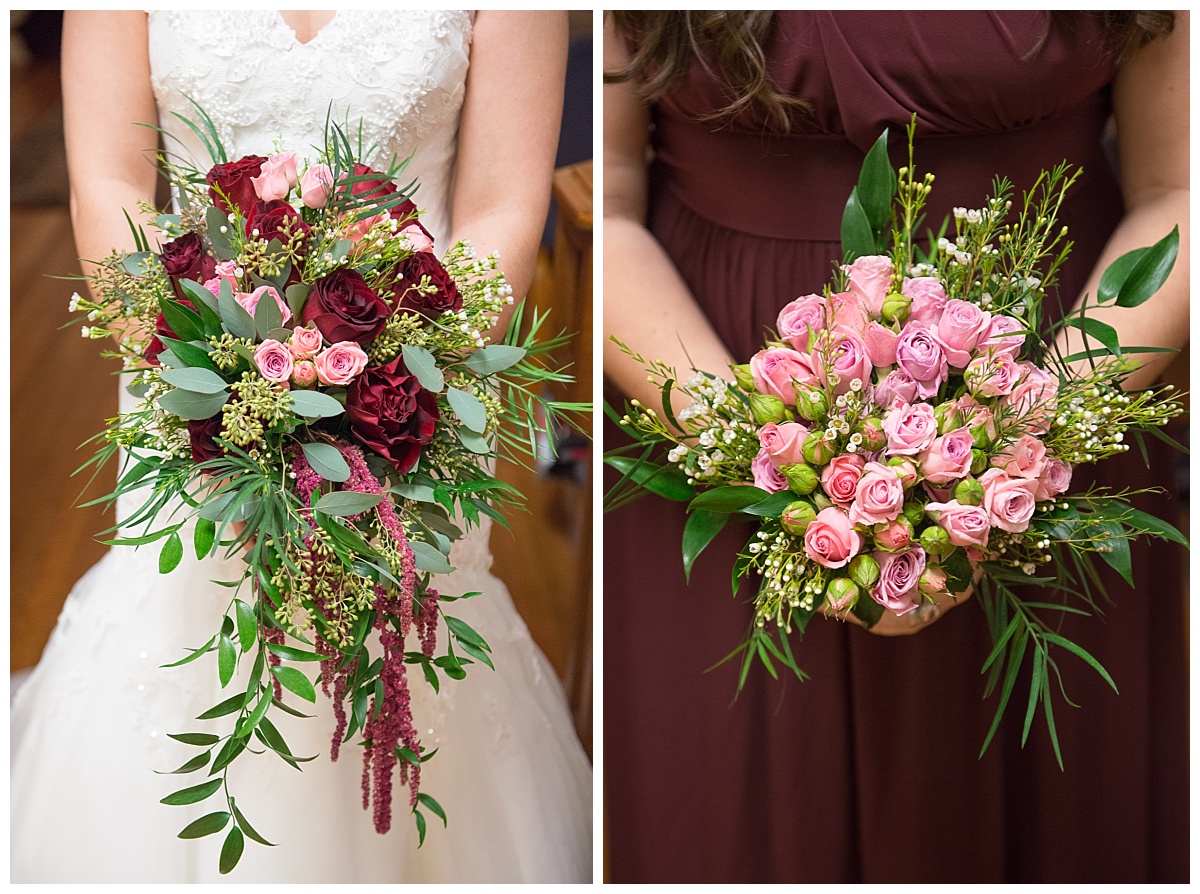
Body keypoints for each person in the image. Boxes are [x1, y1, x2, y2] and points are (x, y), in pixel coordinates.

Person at [603, 11, 1187, 883]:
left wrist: (1024, 438)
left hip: (1060, 365)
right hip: (705, 374)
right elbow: (608, 199)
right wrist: (746, 448)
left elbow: (1179, 188)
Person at [11, 10, 591, 883]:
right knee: (193, 632)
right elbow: (110, 189)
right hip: (193, 386)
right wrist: (214, 396)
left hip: (412, 405)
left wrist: (386, 404)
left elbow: (501, 206)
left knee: (402, 661)